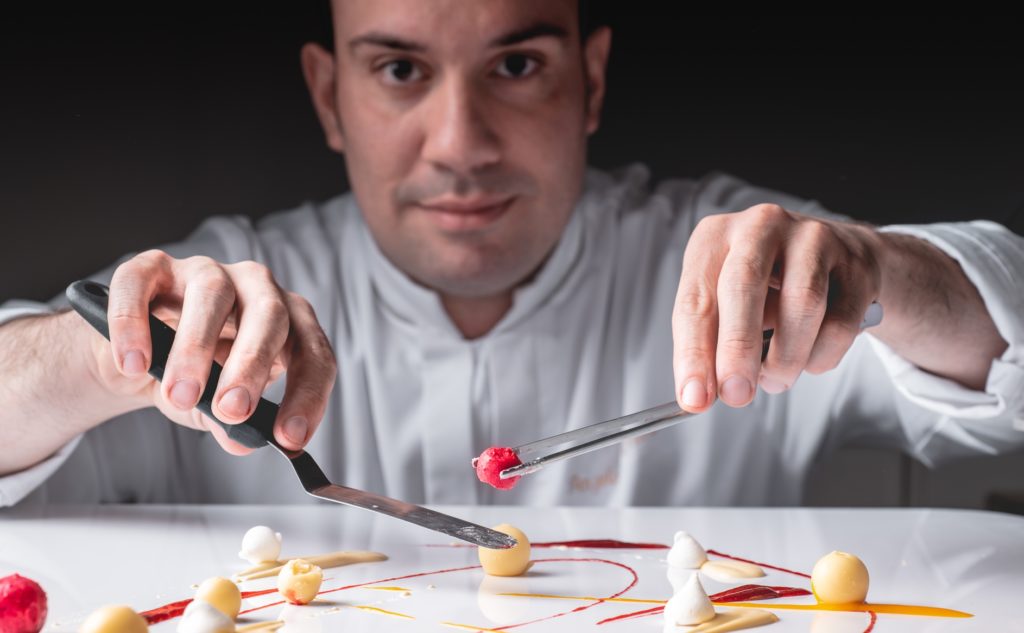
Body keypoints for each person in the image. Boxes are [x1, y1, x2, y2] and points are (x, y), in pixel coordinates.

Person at [0, 0, 1021, 508]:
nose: (461, 143)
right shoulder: (227, 285)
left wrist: (888, 275)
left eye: (518, 65)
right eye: (399, 68)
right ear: (329, 98)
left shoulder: (742, 266)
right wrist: (102, 359)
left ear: (591, 80)